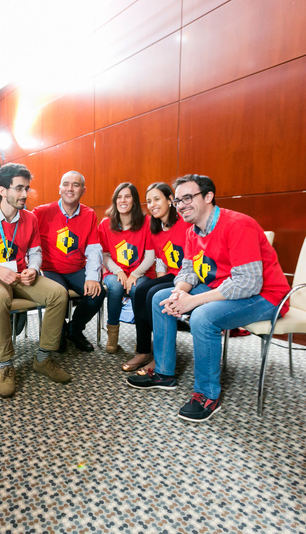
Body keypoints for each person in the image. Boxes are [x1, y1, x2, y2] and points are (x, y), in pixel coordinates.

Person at [127, 174, 290, 423]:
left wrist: (193, 302)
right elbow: (189, 270)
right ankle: (164, 373)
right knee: (161, 297)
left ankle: (207, 395)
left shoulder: (237, 225)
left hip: (265, 296)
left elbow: (248, 283)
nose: (182, 205)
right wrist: (179, 292)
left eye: (188, 198)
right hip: (223, 288)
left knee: (202, 317)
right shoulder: (194, 231)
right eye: (179, 200)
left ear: (209, 196)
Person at [0, 163, 69, 398]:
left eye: (26, 188)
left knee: (59, 294)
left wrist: (33, 267)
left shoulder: (30, 218)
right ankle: (5, 366)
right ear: (2, 191)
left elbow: (37, 252)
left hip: (21, 276)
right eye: (19, 188)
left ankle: (43, 359)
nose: (24, 194)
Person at [122, 183, 191, 373]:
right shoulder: (156, 228)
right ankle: (144, 350)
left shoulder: (185, 223)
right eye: (149, 201)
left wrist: (160, 285)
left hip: (190, 277)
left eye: (157, 199)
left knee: (153, 293)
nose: (152, 205)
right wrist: (159, 280)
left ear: (170, 200)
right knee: (140, 290)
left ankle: (161, 356)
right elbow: (161, 259)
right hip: (172, 275)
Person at [33, 171, 104, 352]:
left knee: (97, 293)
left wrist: (92, 277)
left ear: (83, 190)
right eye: (66, 184)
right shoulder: (41, 212)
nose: (70, 189)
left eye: (75, 185)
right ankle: (60, 329)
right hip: (49, 269)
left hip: (75, 269)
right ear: (59, 189)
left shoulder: (89, 214)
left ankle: (74, 329)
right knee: (59, 294)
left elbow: (94, 249)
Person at [98, 182, 155, 357]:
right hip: (115, 271)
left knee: (139, 290)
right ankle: (112, 335)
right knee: (115, 287)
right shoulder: (106, 223)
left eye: (127, 196)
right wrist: (119, 272)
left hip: (142, 271)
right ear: (115, 201)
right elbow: (105, 255)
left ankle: (142, 337)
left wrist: (135, 274)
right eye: (119, 197)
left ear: (135, 201)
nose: (123, 200)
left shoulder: (147, 222)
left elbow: (151, 255)